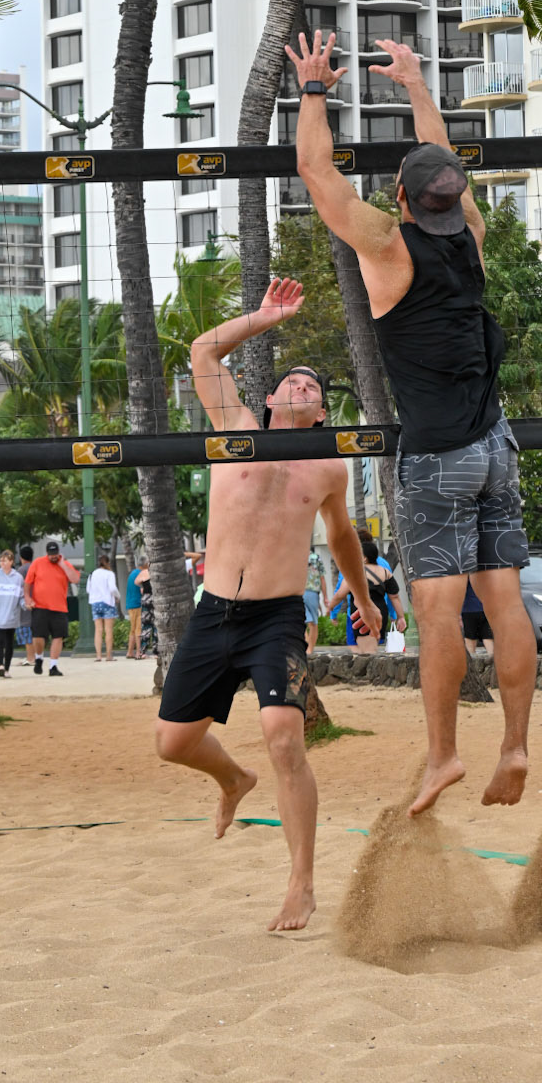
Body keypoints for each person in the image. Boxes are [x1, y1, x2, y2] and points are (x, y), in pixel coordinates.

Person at [289, 30, 533, 814]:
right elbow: (441, 167)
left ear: (400, 201)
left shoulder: (387, 248)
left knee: (435, 613)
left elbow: (314, 172)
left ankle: (441, 758)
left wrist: (315, 88)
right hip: (498, 443)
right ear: (452, 199)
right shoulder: (473, 238)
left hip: (437, 456)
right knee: (505, 605)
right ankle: (517, 744)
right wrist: (417, 84)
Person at [156, 275, 378, 933]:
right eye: (295, 381)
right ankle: (231, 780)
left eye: (316, 387)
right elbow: (201, 352)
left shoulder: (329, 467)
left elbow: (341, 539)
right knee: (172, 743)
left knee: (284, 736)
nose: (305, 387)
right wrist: (261, 316)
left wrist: (363, 600)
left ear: (320, 412)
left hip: (276, 617)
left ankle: (301, 884)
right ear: (272, 397)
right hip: (214, 607)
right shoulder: (235, 425)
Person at [24, 539, 78, 676]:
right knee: (38, 636)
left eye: (55, 554)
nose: (53, 556)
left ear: (58, 553)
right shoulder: (37, 563)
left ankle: (53, 666)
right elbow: (28, 582)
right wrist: (27, 598)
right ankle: (39, 658)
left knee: (58, 636)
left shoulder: (64, 564)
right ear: (47, 553)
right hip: (40, 606)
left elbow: (75, 579)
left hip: (59, 607)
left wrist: (63, 565)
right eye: (51, 554)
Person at [0, 550, 25, 677]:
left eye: (5, 560)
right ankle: (0, 665)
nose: (2, 563)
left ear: (11, 562)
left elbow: (21, 596)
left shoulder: (18, 578)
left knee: (9, 643)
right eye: (1, 560)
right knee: (0, 641)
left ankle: (6, 668)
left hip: (11, 615)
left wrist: (25, 605)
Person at [88, 552, 122, 661]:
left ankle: (98, 655)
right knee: (108, 630)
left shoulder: (92, 574)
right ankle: (108, 655)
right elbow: (112, 588)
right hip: (107, 602)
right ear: (107, 563)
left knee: (98, 630)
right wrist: (118, 596)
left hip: (95, 602)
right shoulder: (109, 574)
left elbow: (88, 589)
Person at [302, 547, 327, 655]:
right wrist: (325, 597)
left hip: (297, 591)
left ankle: (306, 645)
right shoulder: (317, 558)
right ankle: (310, 649)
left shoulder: (294, 556)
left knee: (301, 620)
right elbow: (322, 578)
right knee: (313, 623)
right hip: (313, 592)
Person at [461, 578, 493, 658]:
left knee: (470, 639)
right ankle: (494, 664)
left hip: (468, 610)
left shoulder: (465, 574)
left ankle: (471, 666)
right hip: (486, 609)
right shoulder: (487, 573)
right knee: (488, 638)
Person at [125, 556, 148, 660]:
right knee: (139, 628)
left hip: (130, 604)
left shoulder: (132, 573)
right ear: (145, 564)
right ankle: (139, 652)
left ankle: (130, 652)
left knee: (133, 629)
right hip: (137, 604)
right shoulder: (141, 574)